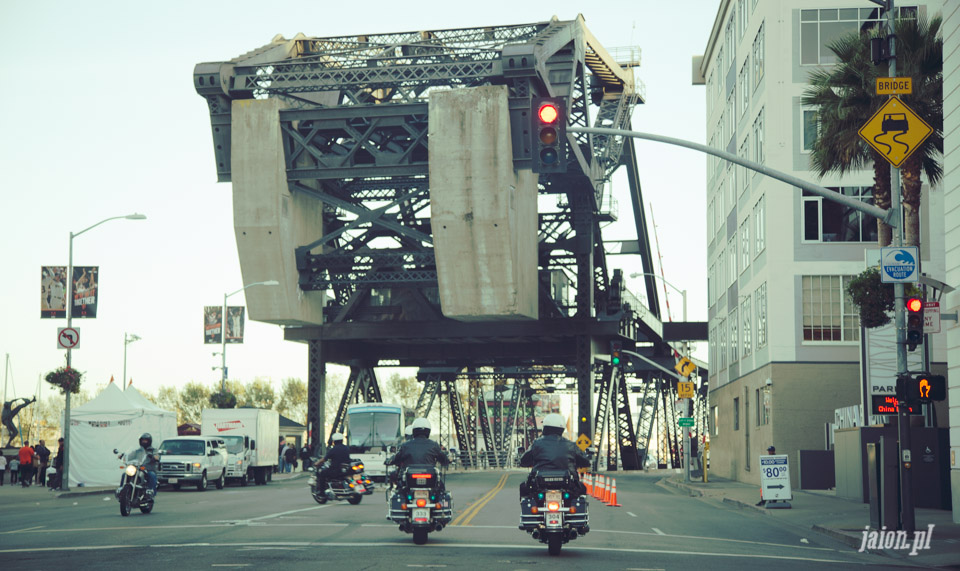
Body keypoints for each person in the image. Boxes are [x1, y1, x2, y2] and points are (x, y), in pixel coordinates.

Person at [519, 413, 589, 497]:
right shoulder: (571, 445)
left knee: (523, 488)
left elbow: (524, 460)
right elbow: (585, 462)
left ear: (545, 427)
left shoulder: (536, 444)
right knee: (582, 490)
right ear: (562, 429)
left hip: (539, 485)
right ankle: (579, 509)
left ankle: (529, 509)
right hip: (568, 486)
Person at [118, 433, 159, 497]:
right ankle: (121, 490)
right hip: (137, 468)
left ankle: (150, 491)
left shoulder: (153, 450)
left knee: (152, 474)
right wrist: (123, 456)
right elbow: (130, 456)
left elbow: (157, 456)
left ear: (149, 441)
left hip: (147, 469)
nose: (144, 442)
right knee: (125, 474)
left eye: (146, 440)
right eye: (143, 440)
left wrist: (155, 457)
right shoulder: (138, 451)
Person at [314, 433, 352, 497]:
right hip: (345, 470)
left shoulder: (334, 449)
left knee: (322, 474)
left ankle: (321, 492)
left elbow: (324, 459)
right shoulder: (346, 448)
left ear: (334, 441)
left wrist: (317, 463)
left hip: (336, 470)